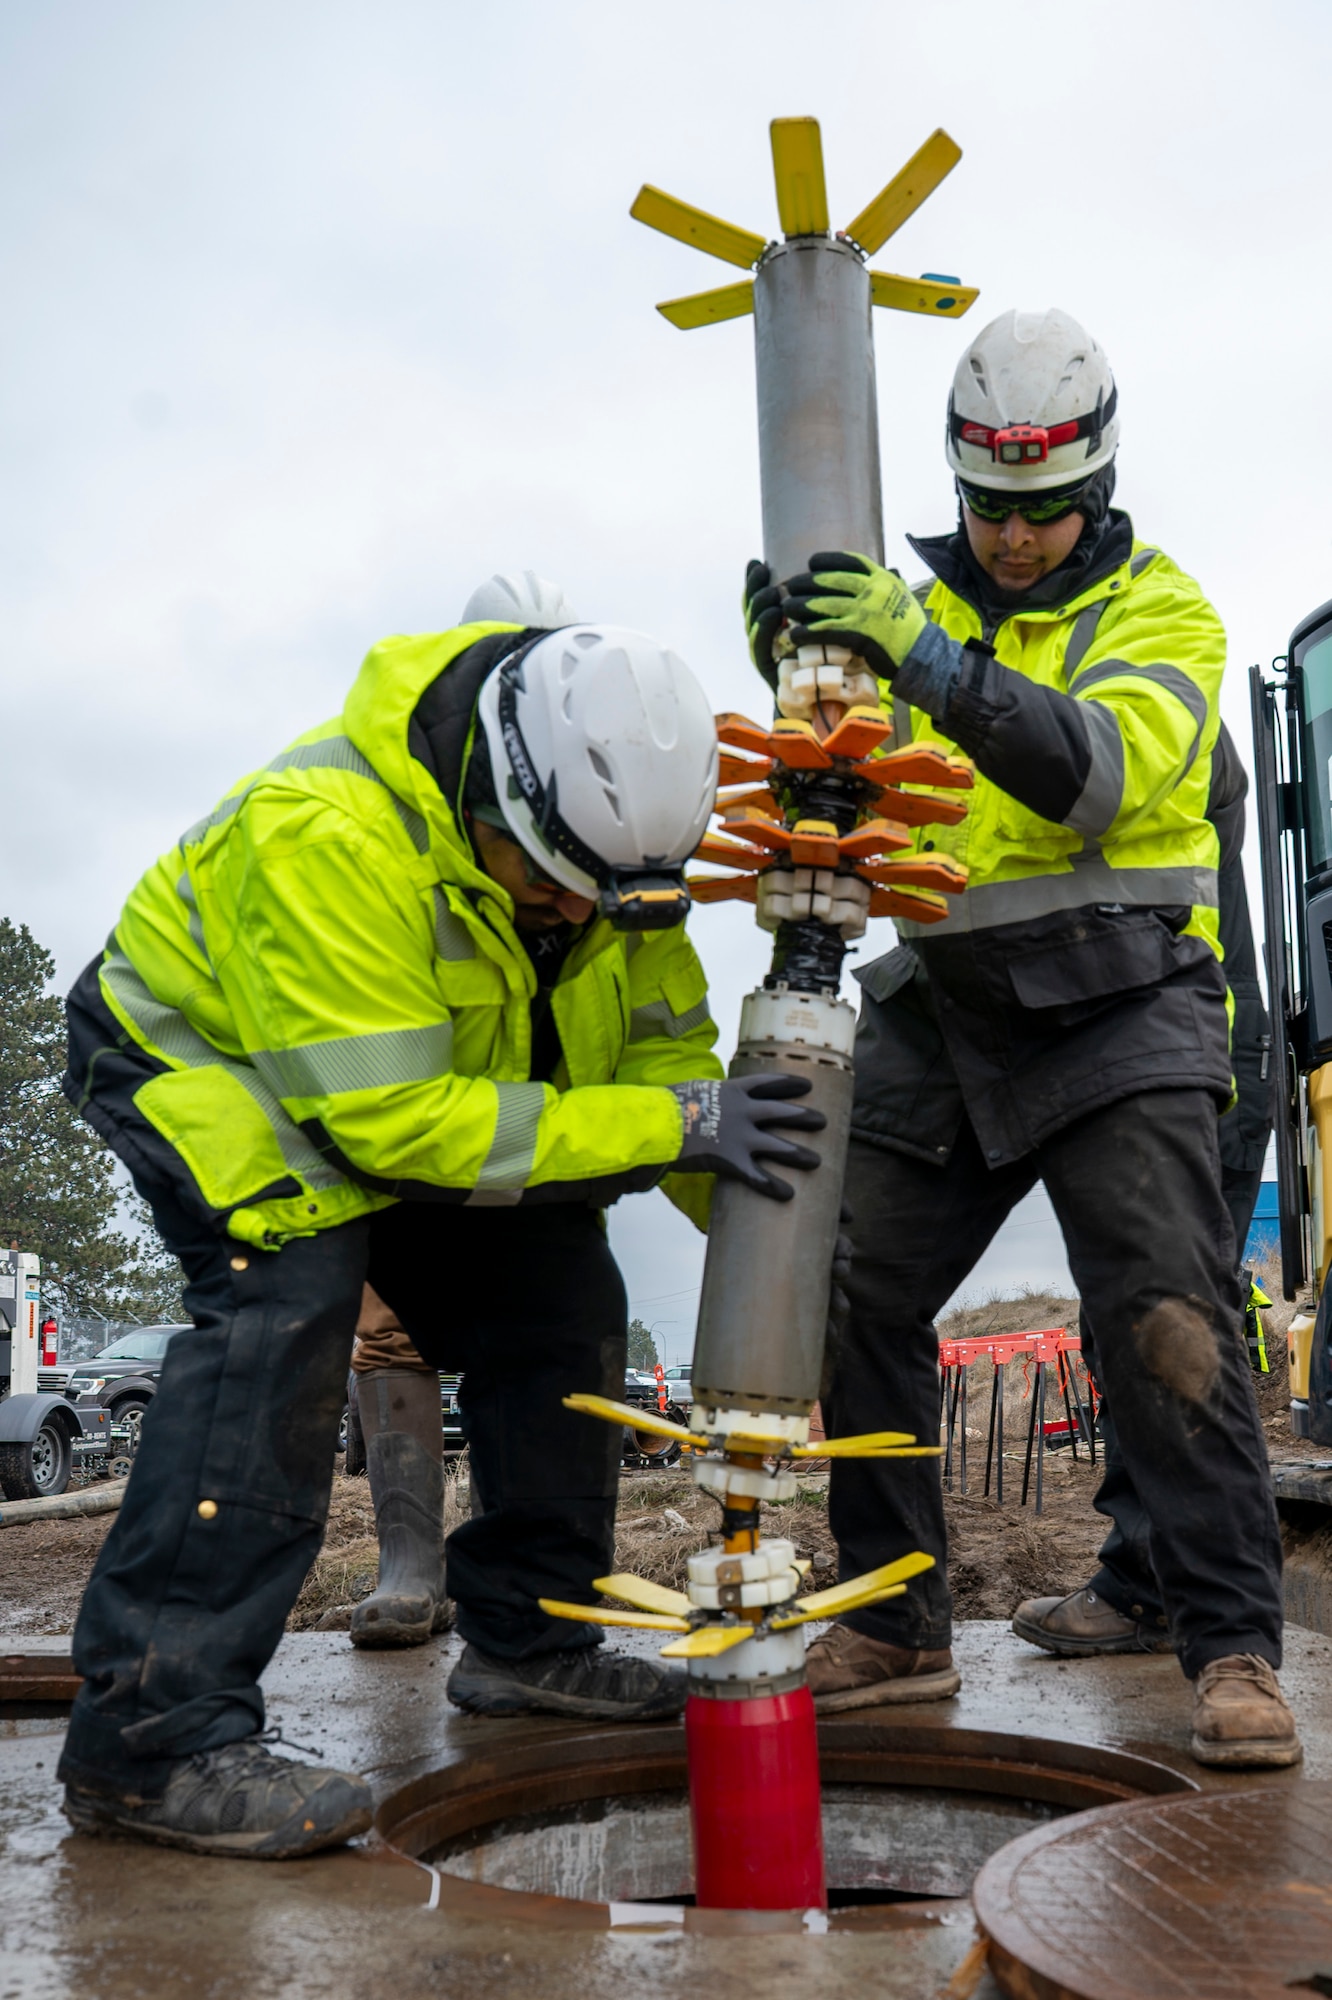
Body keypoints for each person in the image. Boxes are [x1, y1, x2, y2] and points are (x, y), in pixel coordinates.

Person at [57, 610, 827, 1858]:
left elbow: (673, 1068)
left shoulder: (618, 851)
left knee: (561, 1293)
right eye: (550, 886)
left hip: (430, 1096)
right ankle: (152, 1738)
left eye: (604, 899)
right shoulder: (325, 839)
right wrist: (672, 1121)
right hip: (219, 1062)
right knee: (285, 1301)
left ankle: (530, 1642)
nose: (575, 915)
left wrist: (777, 1259)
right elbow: (394, 1126)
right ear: (493, 796)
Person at [743, 306, 1300, 1769]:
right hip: (946, 1005)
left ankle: (1234, 1645)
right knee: (848, 1286)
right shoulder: (901, 596)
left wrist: (921, 655)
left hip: (1125, 1003)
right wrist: (801, 675)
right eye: (988, 507)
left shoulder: (1161, 613)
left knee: (1167, 1316)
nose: (1012, 538)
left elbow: (1096, 778)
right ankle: (896, 1614)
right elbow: (844, 785)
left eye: (1044, 512)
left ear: (1096, 488)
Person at [346, 571, 582, 1651]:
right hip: (414, 1126)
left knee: (550, 1316)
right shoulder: (405, 812)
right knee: (386, 1332)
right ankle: (411, 1561)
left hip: (531, 1137)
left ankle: (519, 1587)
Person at [1013, 718, 1276, 1658]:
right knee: (1128, 1320)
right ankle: (1150, 1580)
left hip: (1202, 1061)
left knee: (1164, 1327)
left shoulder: (1172, 737)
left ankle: (1157, 1593)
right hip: (1171, 1053)